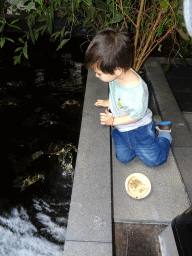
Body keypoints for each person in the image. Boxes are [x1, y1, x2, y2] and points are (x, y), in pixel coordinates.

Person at [84, 28, 172, 167]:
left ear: (117, 69)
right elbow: (117, 95)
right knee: (124, 158)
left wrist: (113, 120)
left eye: (99, 73)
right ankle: (136, 142)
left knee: (154, 161)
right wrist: (110, 102)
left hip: (140, 128)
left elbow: (135, 117)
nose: (96, 76)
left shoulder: (137, 93)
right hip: (123, 129)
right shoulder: (116, 75)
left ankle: (164, 134)